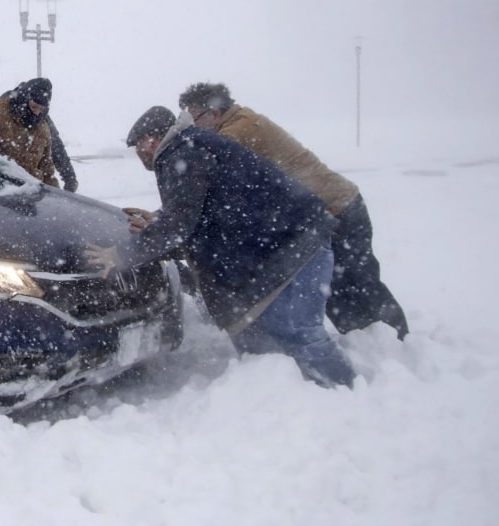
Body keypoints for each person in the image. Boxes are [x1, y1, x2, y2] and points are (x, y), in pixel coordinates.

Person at [85, 106, 356, 388]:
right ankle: (283, 397)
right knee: (256, 338)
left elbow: (181, 224)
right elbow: (196, 212)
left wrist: (122, 255)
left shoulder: (184, 153)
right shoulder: (189, 147)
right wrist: (159, 224)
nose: (139, 153)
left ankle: (347, 392)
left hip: (295, 244)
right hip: (274, 248)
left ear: (152, 140)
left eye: (138, 146)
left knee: (298, 331)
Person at [178, 82, 408, 340]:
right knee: (340, 290)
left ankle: (396, 343)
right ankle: (378, 344)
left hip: (338, 209)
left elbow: (204, 179)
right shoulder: (240, 123)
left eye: (193, 118)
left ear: (214, 113)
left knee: (358, 286)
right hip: (327, 212)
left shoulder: (239, 131)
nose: (191, 126)